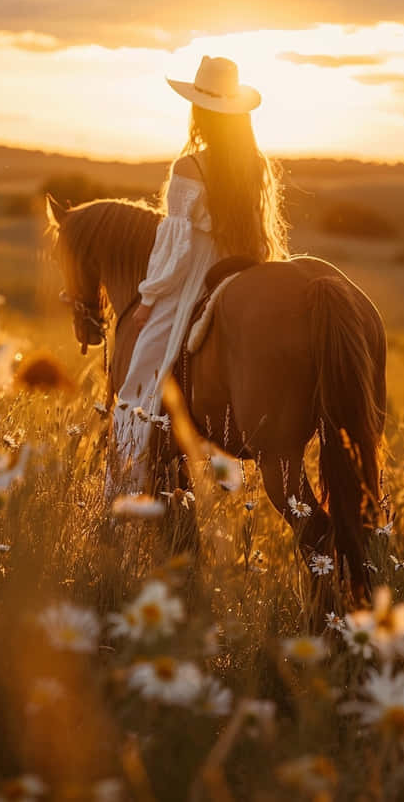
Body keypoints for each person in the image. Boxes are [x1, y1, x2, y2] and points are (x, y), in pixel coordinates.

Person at [108, 55, 288, 494]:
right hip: (244, 266)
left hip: (195, 279)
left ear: (200, 112)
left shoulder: (190, 168)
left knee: (141, 373)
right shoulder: (255, 163)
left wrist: (149, 299)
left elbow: (176, 250)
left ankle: (126, 481)